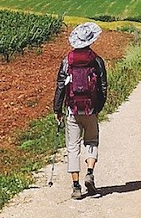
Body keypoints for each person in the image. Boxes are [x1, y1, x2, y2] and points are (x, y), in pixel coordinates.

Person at [54, 22, 108, 200]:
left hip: (72, 109)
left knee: (72, 147)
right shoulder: (96, 60)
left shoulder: (67, 61)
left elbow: (61, 86)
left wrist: (57, 108)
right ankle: (90, 172)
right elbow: (103, 86)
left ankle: (76, 186)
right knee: (91, 141)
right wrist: (98, 106)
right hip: (90, 109)